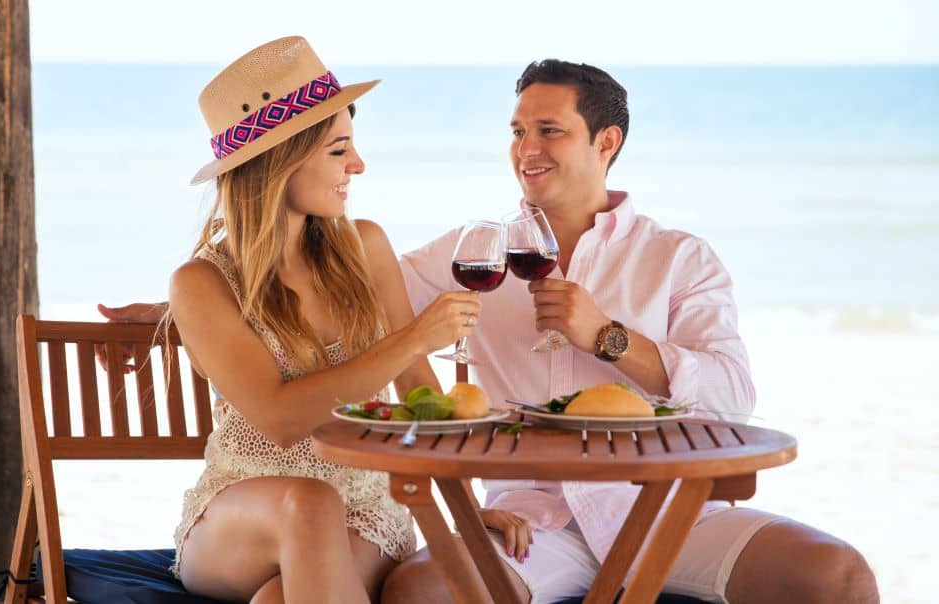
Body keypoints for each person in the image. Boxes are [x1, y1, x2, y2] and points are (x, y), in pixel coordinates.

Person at [102, 58, 880, 603]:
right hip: (530, 522)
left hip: (661, 511)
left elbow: (736, 397)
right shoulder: (477, 253)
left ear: (606, 142)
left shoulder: (679, 259)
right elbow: (322, 311)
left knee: (837, 578)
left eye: (550, 131)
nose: (525, 149)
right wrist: (175, 313)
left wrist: (609, 338)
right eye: (516, 130)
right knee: (415, 592)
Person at [147, 36, 490, 604]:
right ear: (279, 161)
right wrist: (410, 339)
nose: (358, 165)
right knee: (308, 501)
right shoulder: (202, 283)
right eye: (338, 150)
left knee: (290, 597)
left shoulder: (366, 247)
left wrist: (473, 516)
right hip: (244, 515)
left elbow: (420, 400)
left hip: (367, 509)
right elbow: (282, 419)